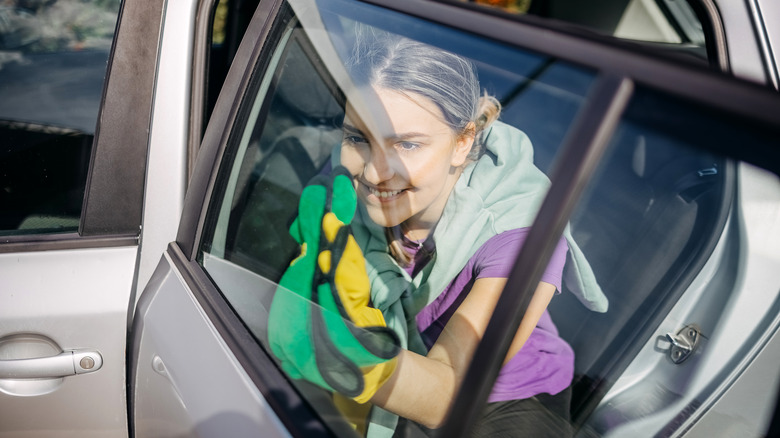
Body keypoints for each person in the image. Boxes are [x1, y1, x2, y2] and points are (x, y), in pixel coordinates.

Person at [268, 29, 607, 438]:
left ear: (464, 140)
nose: (375, 173)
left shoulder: (523, 231)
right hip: (401, 359)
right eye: (358, 138)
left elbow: (450, 389)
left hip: (505, 399)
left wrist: (356, 360)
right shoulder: (344, 179)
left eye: (407, 145)